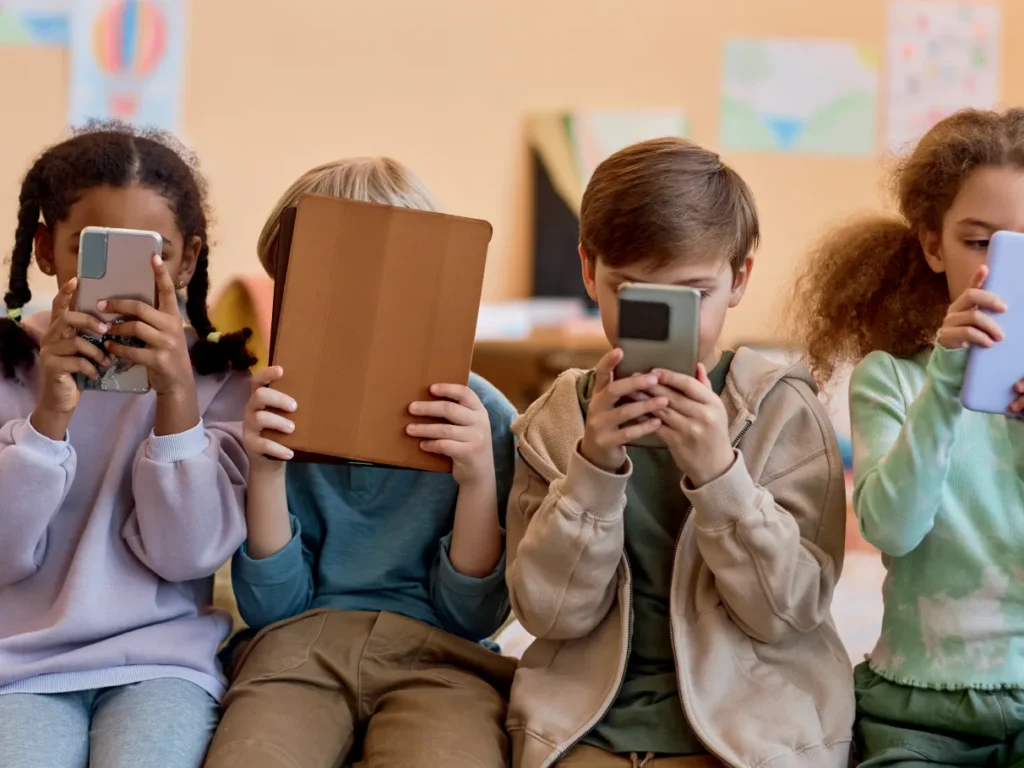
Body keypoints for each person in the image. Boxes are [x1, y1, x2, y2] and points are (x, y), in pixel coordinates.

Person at [506, 138, 853, 768]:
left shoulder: (782, 410)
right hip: (585, 730)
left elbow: (790, 611)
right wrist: (592, 472)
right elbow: (548, 614)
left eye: (692, 295)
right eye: (634, 296)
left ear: (739, 278)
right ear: (590, 271)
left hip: (750, 734)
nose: (670, 322)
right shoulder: (554, 422)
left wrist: (723, 477)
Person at [204, 157, 519, 768]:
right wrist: (265, 472)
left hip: (444, 659)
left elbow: (473, 614)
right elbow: (273, 608)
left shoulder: (482, 416)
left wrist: (478, 479)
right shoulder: (265, 407)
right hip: (296, 648)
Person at [0, 123, 254, 768]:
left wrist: (176, 402)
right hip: (18, 664)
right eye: (93, 249)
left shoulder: (221, 382)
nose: (122, 279)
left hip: (162, 662)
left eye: (155, 253)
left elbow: (188, 554)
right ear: (45, 250)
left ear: (189, 259)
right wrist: (49, 417)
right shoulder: (7, 370)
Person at [795, 108, 1024, 766]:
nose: (997, 270)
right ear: (932, 246)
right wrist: (948, 382)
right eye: (979, 242)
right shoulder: (888, 379)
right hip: (918, 707)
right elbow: (893, 529)